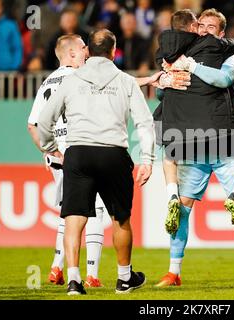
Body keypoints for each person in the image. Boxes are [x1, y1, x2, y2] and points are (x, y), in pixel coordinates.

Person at [154, 8, 234, 289]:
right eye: (201, 25)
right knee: (182, 211)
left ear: (221, 33)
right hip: (194, 144)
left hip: (224, 142)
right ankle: (173, 273)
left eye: (211, 26)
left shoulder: (230, 55)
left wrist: (191, 67)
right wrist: (165, 80)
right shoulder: (182, 55)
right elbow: (164, 94)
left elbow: (224, 80)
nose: (205, 30)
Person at [37, 29, 156, 295]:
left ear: (88, 50)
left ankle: (74, 280)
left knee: (73, 219)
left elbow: (44, 121)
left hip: (78, 154)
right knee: (120, 218)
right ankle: (124, 278)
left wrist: (52, 149)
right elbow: (145, 123)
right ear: (114, 51)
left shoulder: (71, 80)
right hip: (113, 153)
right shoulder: (125, 81)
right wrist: (147, 159)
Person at [28, 34, 106, 288]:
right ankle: (92, 274)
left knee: (69, 213)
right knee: (95, 210)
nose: (88, 51)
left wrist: (49, 150)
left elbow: (33, 125)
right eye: (84, 47)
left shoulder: (48, 82)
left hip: (58, 157)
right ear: (72, 53)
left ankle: (55, 267)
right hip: (81, 152)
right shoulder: (81, 77)